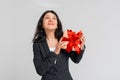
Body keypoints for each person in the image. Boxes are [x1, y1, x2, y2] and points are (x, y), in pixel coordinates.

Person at [32, 10, 86, 80]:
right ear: (42, 24)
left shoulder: (65, 38)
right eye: (47, 18)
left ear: (57, 25)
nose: (51, 20)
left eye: (54, 18)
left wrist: (81, 47)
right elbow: (40, 70)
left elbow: (76, 59)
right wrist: (56, 52)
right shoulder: (37, 44)